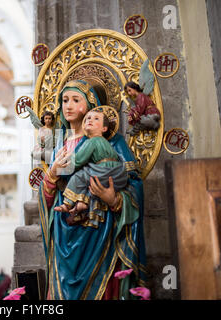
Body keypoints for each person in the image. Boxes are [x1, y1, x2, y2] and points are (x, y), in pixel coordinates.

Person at [38, 79, 148, 300]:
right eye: (64, 100)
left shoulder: (111, 142)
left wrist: (115, 199)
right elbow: (48, 193)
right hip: (63, 233)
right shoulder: (58, 146)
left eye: (75, 100)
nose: (67, 105)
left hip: (99, 233)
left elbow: (133, 182)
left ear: (91, 106)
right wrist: (51, 176)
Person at [54, 107, 128, 229]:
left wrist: (62, 163)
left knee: (80, 175)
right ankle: (83, 203)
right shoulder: (104, 142)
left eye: (96, 118)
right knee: (89, 179)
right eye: (88, 118)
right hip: (118, 173)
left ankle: (67, 204)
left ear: (104, 128)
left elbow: (78, 160)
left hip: (105, 170)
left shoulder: (92, 141)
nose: (90, 120)